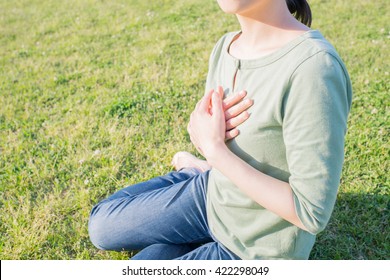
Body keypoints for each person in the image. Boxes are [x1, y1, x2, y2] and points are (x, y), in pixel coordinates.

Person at [88, 0, 352, 259]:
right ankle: (197, 171)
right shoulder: (226, 47)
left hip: (255, 247)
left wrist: (215, 152)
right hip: (213, 195)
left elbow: (311, 212)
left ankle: (202, 169)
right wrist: (204, 137)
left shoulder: (313, 68)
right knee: (100, 227)